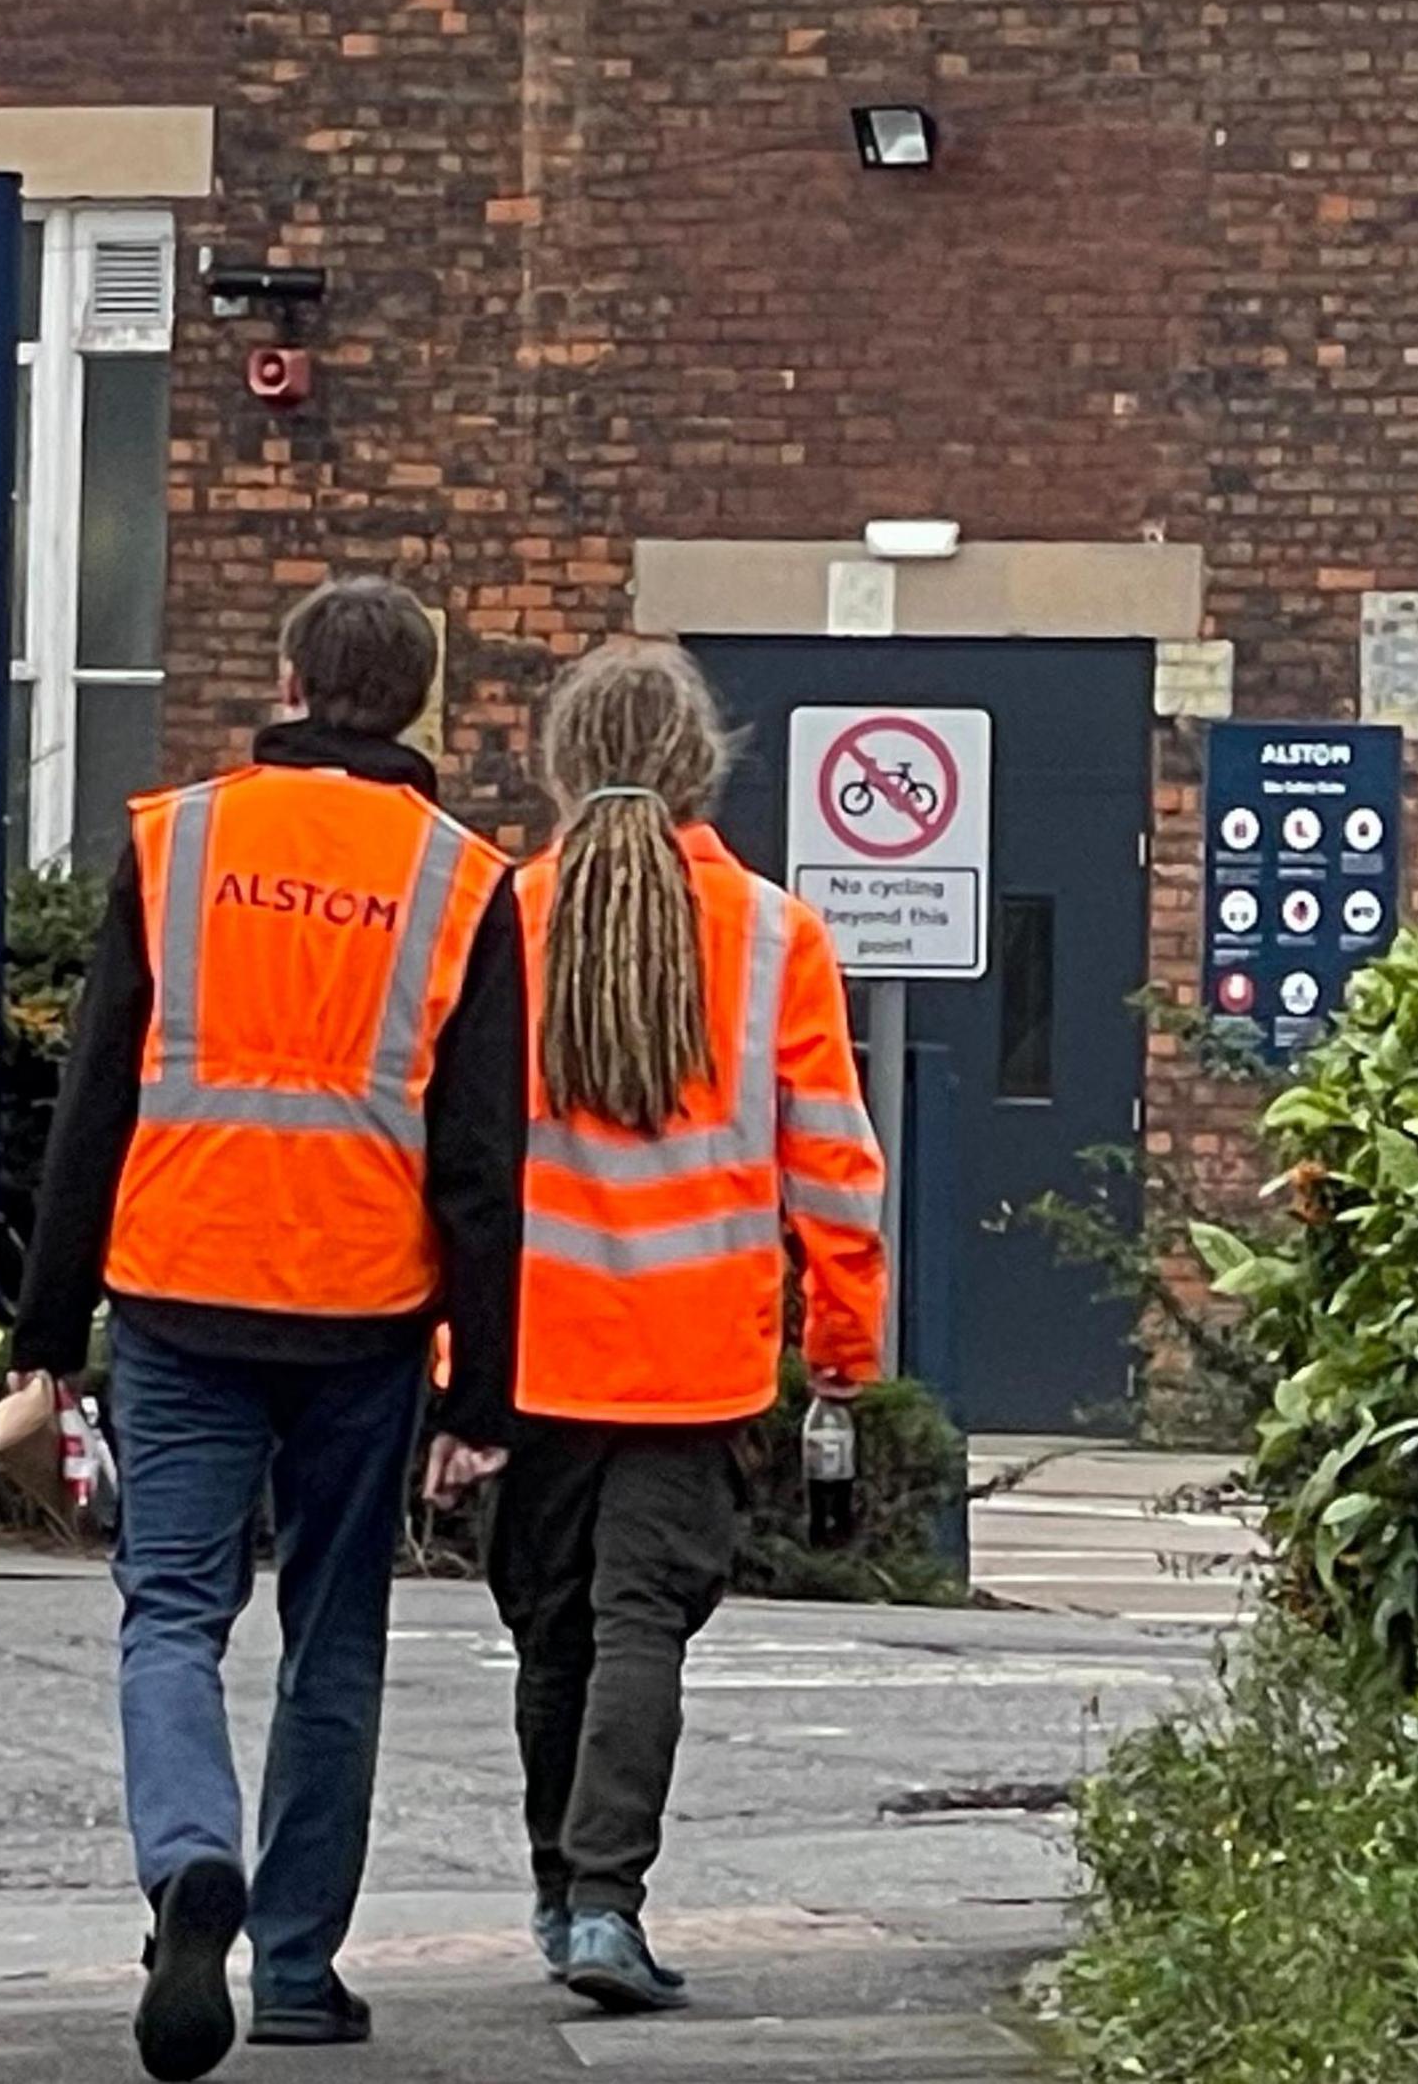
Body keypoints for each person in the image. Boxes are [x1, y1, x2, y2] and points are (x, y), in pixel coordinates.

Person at [11, 577, 523, 2080]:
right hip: (364, 1310)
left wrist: (45, 1324)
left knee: (170, 1610)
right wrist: (481, 1389)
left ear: (291, 677)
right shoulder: (463, 879)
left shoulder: (175, 840)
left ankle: (186, 1862)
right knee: (334, 1634)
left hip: (177, 1287)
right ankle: (296, 1967)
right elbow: (484, 1162)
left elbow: (93, 1093)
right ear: (418, 704)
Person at [477, 642, 887, 2013]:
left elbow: (452, 1159)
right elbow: (834, 1163)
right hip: (693, 1354)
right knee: (640, 1622)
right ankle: (606, 1906)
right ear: (701, 761)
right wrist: (842, 1349)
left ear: (560, 759)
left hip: (533, 1350)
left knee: (552, 1632)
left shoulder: (505, 918)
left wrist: (437, 1359)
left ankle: (555, 1887)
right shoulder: (774, 932)